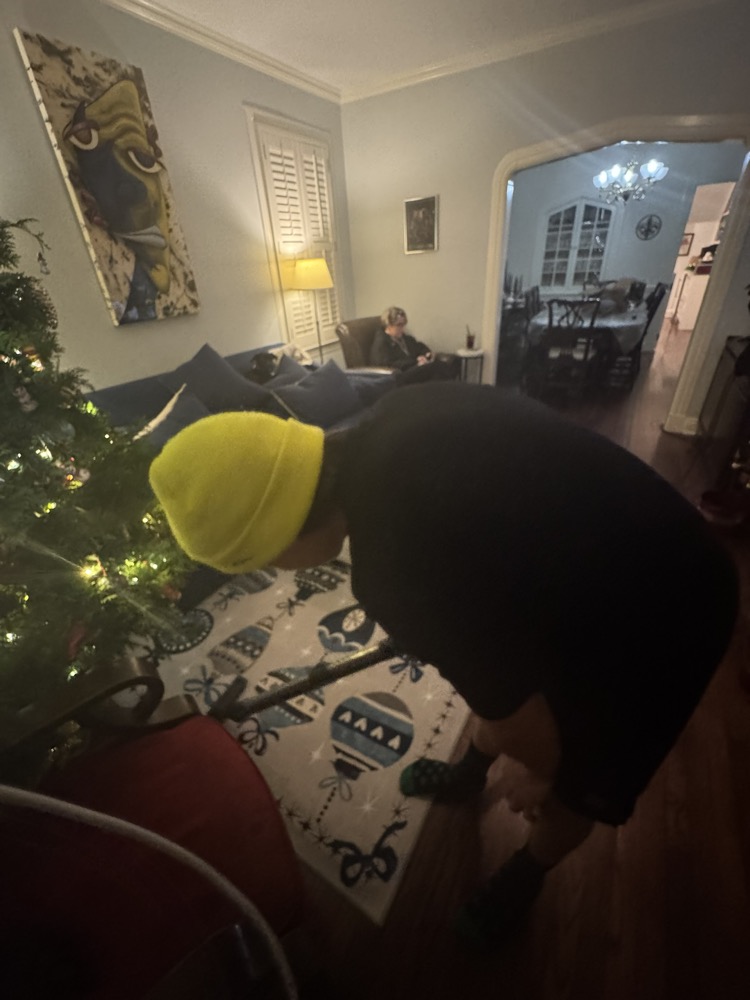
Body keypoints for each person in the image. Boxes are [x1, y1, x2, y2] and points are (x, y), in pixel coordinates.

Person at [149, 382, 738, 945]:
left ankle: (527, 873)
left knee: (582, 783)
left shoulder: (393, 573)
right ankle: (470, 772)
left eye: (264, 562)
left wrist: (547, 774)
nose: (278, 572)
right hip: (605, 550)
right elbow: (494, 671)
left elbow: (520, 721)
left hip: (668, 603)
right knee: (491, 679)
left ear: (277, 538)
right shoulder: (400, 408)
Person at [370, 306, 459, 380]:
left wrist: (426, 354)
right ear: (388, 325)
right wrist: (416, 362)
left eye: (403, 324)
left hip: (413, 369)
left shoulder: (405, 338)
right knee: (434, 368)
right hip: (400, 375)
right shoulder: (381, 343)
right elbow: (389, 365)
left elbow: (419, 346)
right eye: (399, 325)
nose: (402, 328)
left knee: (448, 364)